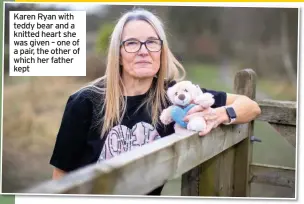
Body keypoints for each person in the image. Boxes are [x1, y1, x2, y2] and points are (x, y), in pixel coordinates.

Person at [49, 8, 261, 195]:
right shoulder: (84, 102)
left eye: (151, 42)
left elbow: (250, 106)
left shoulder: (175, 97)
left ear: (161, 51)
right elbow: (61, 177)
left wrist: (220, 115)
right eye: (132, 43)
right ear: (118, 54)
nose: (143, 50)